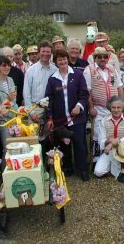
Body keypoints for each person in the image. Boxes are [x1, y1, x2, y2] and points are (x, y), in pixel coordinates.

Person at [45, 49, 90, 181]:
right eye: (59, 59)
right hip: (60, 120)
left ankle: (82, 169)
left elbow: (84, 94)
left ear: (67, 59)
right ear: (56, 62)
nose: (63, 61)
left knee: (79, 144)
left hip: (77, 118)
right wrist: (50, 117)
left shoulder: (77, 74)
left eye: (64, 59)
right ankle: (68, 167)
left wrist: (79, 106)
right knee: (64, 144)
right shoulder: (53, 79)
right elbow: (49, 99)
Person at [83, 47, 123, 164]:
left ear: (108, 58)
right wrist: (90, 107)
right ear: (95, 58)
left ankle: (114, 157)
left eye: (105, 56)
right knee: (97, 134)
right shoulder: (89, 70)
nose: (102, 59)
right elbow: (87, 91)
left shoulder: (112, 69)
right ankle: (96, 160)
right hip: (98, 108)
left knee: (112, 132)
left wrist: (121, 105)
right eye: (99, 56)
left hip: (113, 109)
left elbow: (119, 87)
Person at [94, 96, 124, 183]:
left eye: (118, 107)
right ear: (109, 108)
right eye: (113, 107)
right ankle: (113, 165)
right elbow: (101, 140)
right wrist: (109, 141)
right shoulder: (104, 120)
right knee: (98, 172)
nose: (116, 110)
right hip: (109, 151)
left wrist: (112, 143)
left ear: (122, 108)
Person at [24, 40, 58, 122]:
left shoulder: (56, 70)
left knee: (50, 134)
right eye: (43, 51)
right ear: (39, 52)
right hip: (36, 109)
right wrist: (31, 112)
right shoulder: (31, 70)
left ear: (51, 53)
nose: (45, 54)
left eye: (48, 52)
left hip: (51, 109)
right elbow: (26, 93)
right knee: (35, 134)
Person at [0, 55, 18, 163]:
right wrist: (8, 99)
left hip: (14, 118)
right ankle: (4, 176)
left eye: (8, 65)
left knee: (16, 148)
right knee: (7, 149)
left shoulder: (10, 80)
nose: (7, 67)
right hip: (3, 121)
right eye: (4, 65)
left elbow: (14, 101)